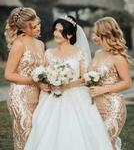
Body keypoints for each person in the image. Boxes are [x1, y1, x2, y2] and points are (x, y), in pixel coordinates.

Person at [24, 15, 113, 150]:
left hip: (75, 96)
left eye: (60, 31)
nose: (56, 33)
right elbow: (45, 75)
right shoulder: (49, 53)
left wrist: (67, 85)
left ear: (70, 34)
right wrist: (49, 82)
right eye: (55, 30)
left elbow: (85, 78)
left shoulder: (79, 53)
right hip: (52, 97)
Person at [4, 7, 49, 150]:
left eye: (38, 23)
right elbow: (8, 74)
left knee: (37, 136)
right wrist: (35, 81)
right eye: (34, 26)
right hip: (20, 97)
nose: (38, 28)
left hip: (39, 97)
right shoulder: (18, 44)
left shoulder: (41, 44)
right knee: (25, 136)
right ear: (23, 29)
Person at [90, 17, 132, 150]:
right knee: (95, 143)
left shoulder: (118, 57)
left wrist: (104, 89)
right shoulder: (97, 53)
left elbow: (127, 83)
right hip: (95, 106)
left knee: (106, 143)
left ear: (105, 34)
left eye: (96, 34)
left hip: (113, 107)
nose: (93, 37)